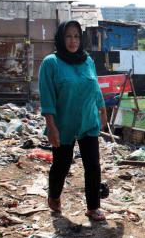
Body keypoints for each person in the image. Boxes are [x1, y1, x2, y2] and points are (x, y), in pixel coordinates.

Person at [39, 20, 108, 221]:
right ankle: (54, 196)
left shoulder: (88, 61)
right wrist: (51, 127)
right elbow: (47, 97)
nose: (73, 41)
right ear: (61, 38)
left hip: (89, 121)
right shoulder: (51, 63)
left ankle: (93, 207)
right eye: (68, 36)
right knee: (62, 165)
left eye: (76, 36)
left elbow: (95, 88)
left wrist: (102, 110)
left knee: (93, 165)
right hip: (64, 124)